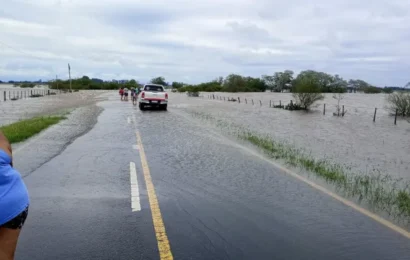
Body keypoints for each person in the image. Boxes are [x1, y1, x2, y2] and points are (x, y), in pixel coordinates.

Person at [0, 131, 29, 260]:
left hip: (10, 203)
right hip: (14, 200)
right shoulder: (1, 136)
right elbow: (10, 165)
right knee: (5, 254)